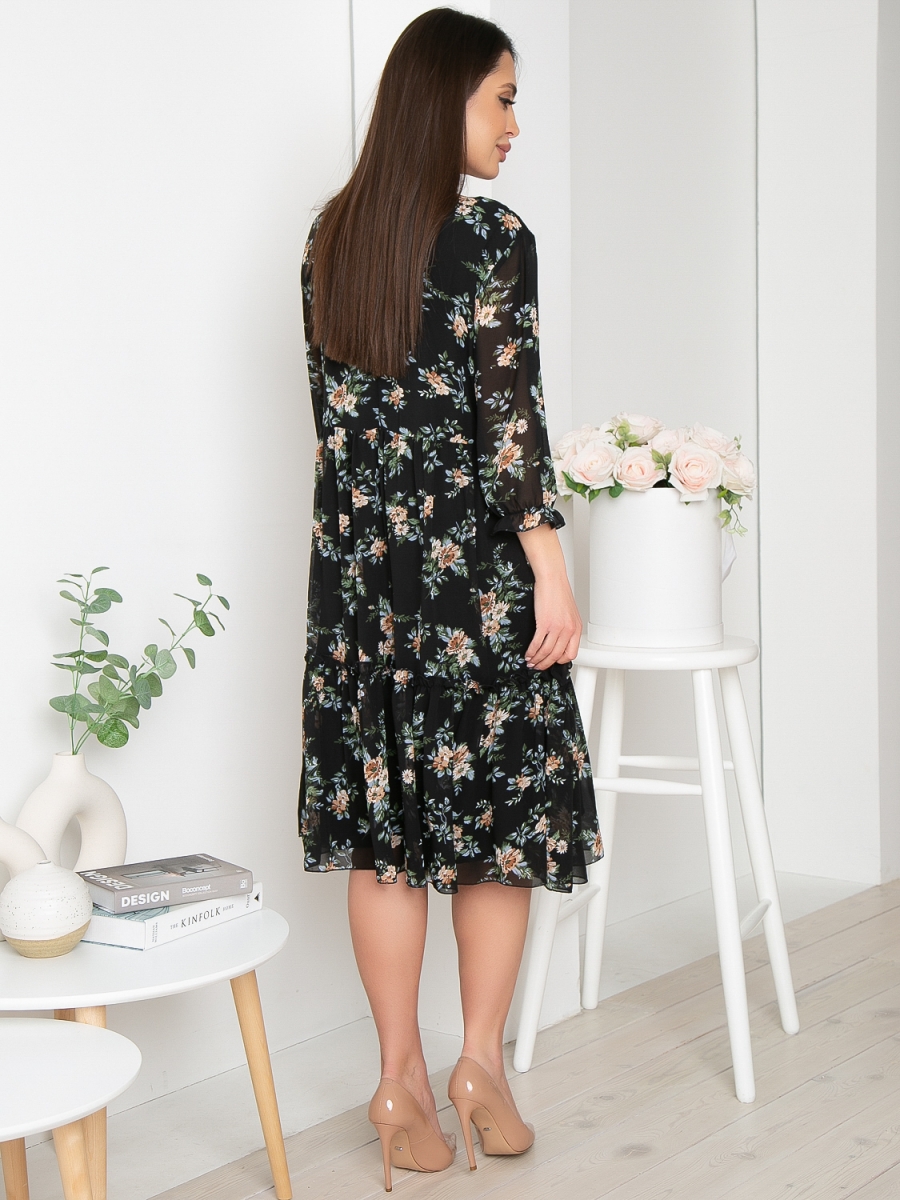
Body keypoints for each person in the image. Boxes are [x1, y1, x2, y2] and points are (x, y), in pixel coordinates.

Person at [298, 8, 602, 1190]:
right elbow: (508, 421)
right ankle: (479, 1063)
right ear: (445, 102)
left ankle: (398, 1082)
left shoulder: (331, 239)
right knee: (499, 824)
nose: (515, 124)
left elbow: (336, 431)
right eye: (502, 98)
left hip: (363, 590)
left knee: (387, 832)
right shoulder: (490, 238)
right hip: (472, 580)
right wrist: (551, 567)